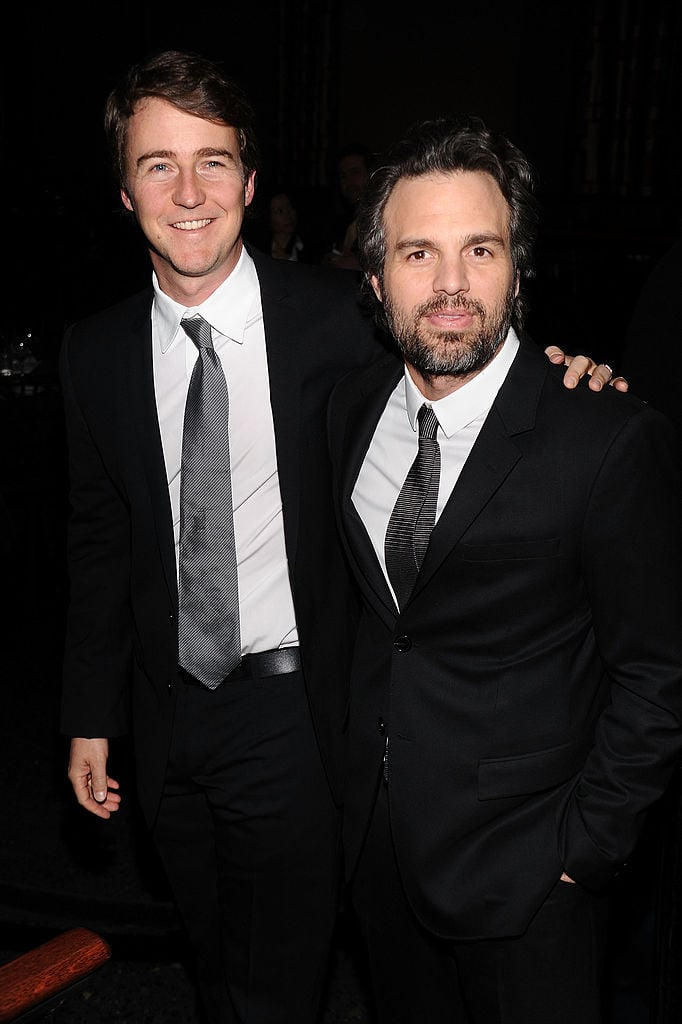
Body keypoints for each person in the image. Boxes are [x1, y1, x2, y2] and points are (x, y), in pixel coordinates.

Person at [58, 49, 623, 1024]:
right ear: (123, 190)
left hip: (299, 716)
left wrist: (568, 376)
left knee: (280, 983)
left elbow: (463, 359)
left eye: (213, 161)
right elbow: (101, 537)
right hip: (166, 722)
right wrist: (88, 711)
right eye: (159, 164)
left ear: (252, 179)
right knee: (212, 963)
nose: (188, 191)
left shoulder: (337, 321)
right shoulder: (94, 352)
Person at [326, 115, 682, 1024]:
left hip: (533, 882)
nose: (451, 285)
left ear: (518, 269)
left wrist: (584, 850)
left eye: (479, 249)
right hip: (377, 854)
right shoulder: (348, 411)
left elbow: (656, 671)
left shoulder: (602, 437)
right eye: (418, 254)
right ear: (373, 279)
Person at [321, 142, 374, 271]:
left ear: (371, 174)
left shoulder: (384, 220)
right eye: (343, 175)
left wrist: (359, 268)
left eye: (355, 172)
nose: (348, 182)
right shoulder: (339, 223)